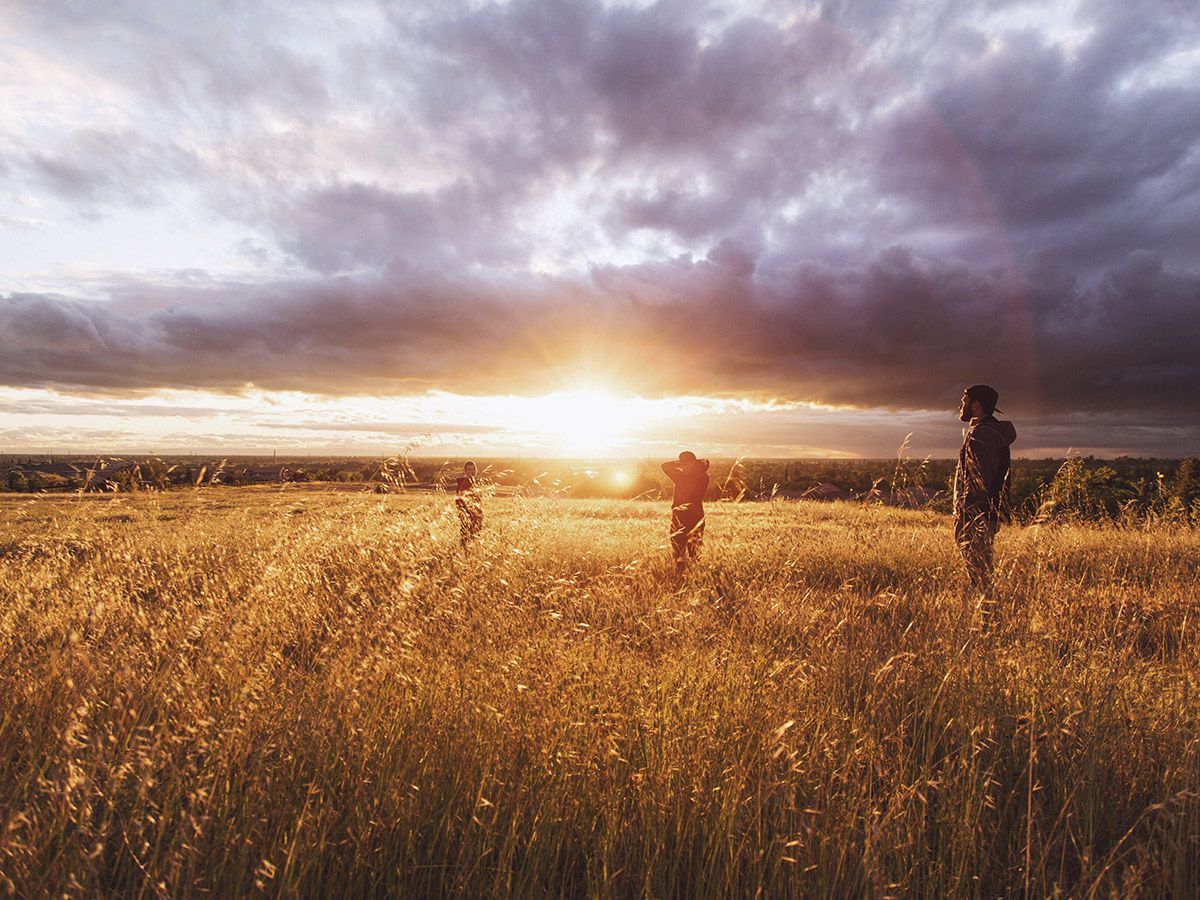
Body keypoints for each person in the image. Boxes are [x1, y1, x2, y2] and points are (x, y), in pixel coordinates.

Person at [954, 385, 1017, 600]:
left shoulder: (984, 435)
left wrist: (969, 514)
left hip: (977, 514)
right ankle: (985, 609)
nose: (961, 406)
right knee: (980, 569)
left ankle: (987, 614)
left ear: (976, 405)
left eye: (964, 401)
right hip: (981, 513)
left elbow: (980, 480)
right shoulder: (983, 431)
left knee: (979, 571)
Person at [661, 451, 710, 575]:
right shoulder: (679, 476)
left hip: (695, 517)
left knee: (694, 550)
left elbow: (702, 471)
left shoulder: (702, 477)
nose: (685, 467)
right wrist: (683, 463)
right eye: (683, 464)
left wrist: (696, 464)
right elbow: (664, 466)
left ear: (694, 464)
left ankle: (696, 575)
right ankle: (680, 575)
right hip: (679, 517)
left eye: (688, 464)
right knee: (677, 548)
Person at [455, 461, 483, 546]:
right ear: (465, 471)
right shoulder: (464, 483)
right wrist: (465, 513)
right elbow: (459, 499)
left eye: (474, 469)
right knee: (467, 537)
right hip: (468, 515)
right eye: (469, 469)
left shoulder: (474, 482)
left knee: (473, 537)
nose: (472, 471)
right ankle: (464, 554)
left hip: (475, 515)